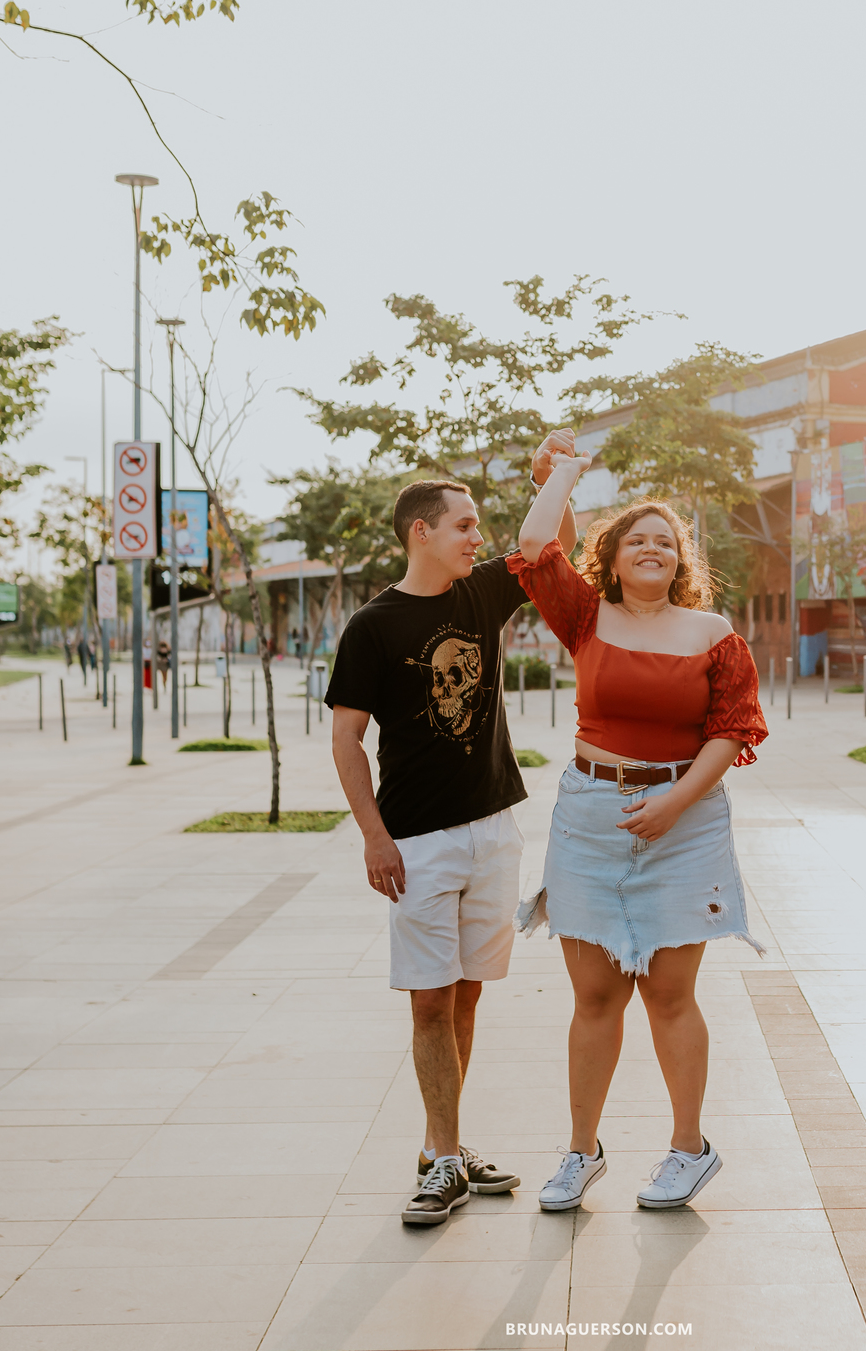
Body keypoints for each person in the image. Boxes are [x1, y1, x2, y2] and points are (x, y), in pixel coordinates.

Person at [325, 433, 578, 1228]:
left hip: (494, 828)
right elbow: (345, 740)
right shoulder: (373, 626)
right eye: (463, 525)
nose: (478, 537)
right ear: (420, 532)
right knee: (430, 1005)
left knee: (467, 998)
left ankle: (450, 1146)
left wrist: (558, 477)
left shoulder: (481, 596)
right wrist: (373, 836)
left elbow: (546, 549)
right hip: (420, 842)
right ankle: (439, 1157)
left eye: (478, 524)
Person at [510, 452, 767, 1214]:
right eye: (636, 540)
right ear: (612, 558)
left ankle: (689, 1150)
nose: (653, 548)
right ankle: (579, 1153)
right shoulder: (585, 616)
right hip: (589, 816)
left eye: (666, 541)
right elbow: (533, 545)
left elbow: (732, 729)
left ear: (680, 559)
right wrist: (560, 472)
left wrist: (677, 802)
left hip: (682, 823)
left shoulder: (713, 631)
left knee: (668, 993)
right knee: (593, 997)